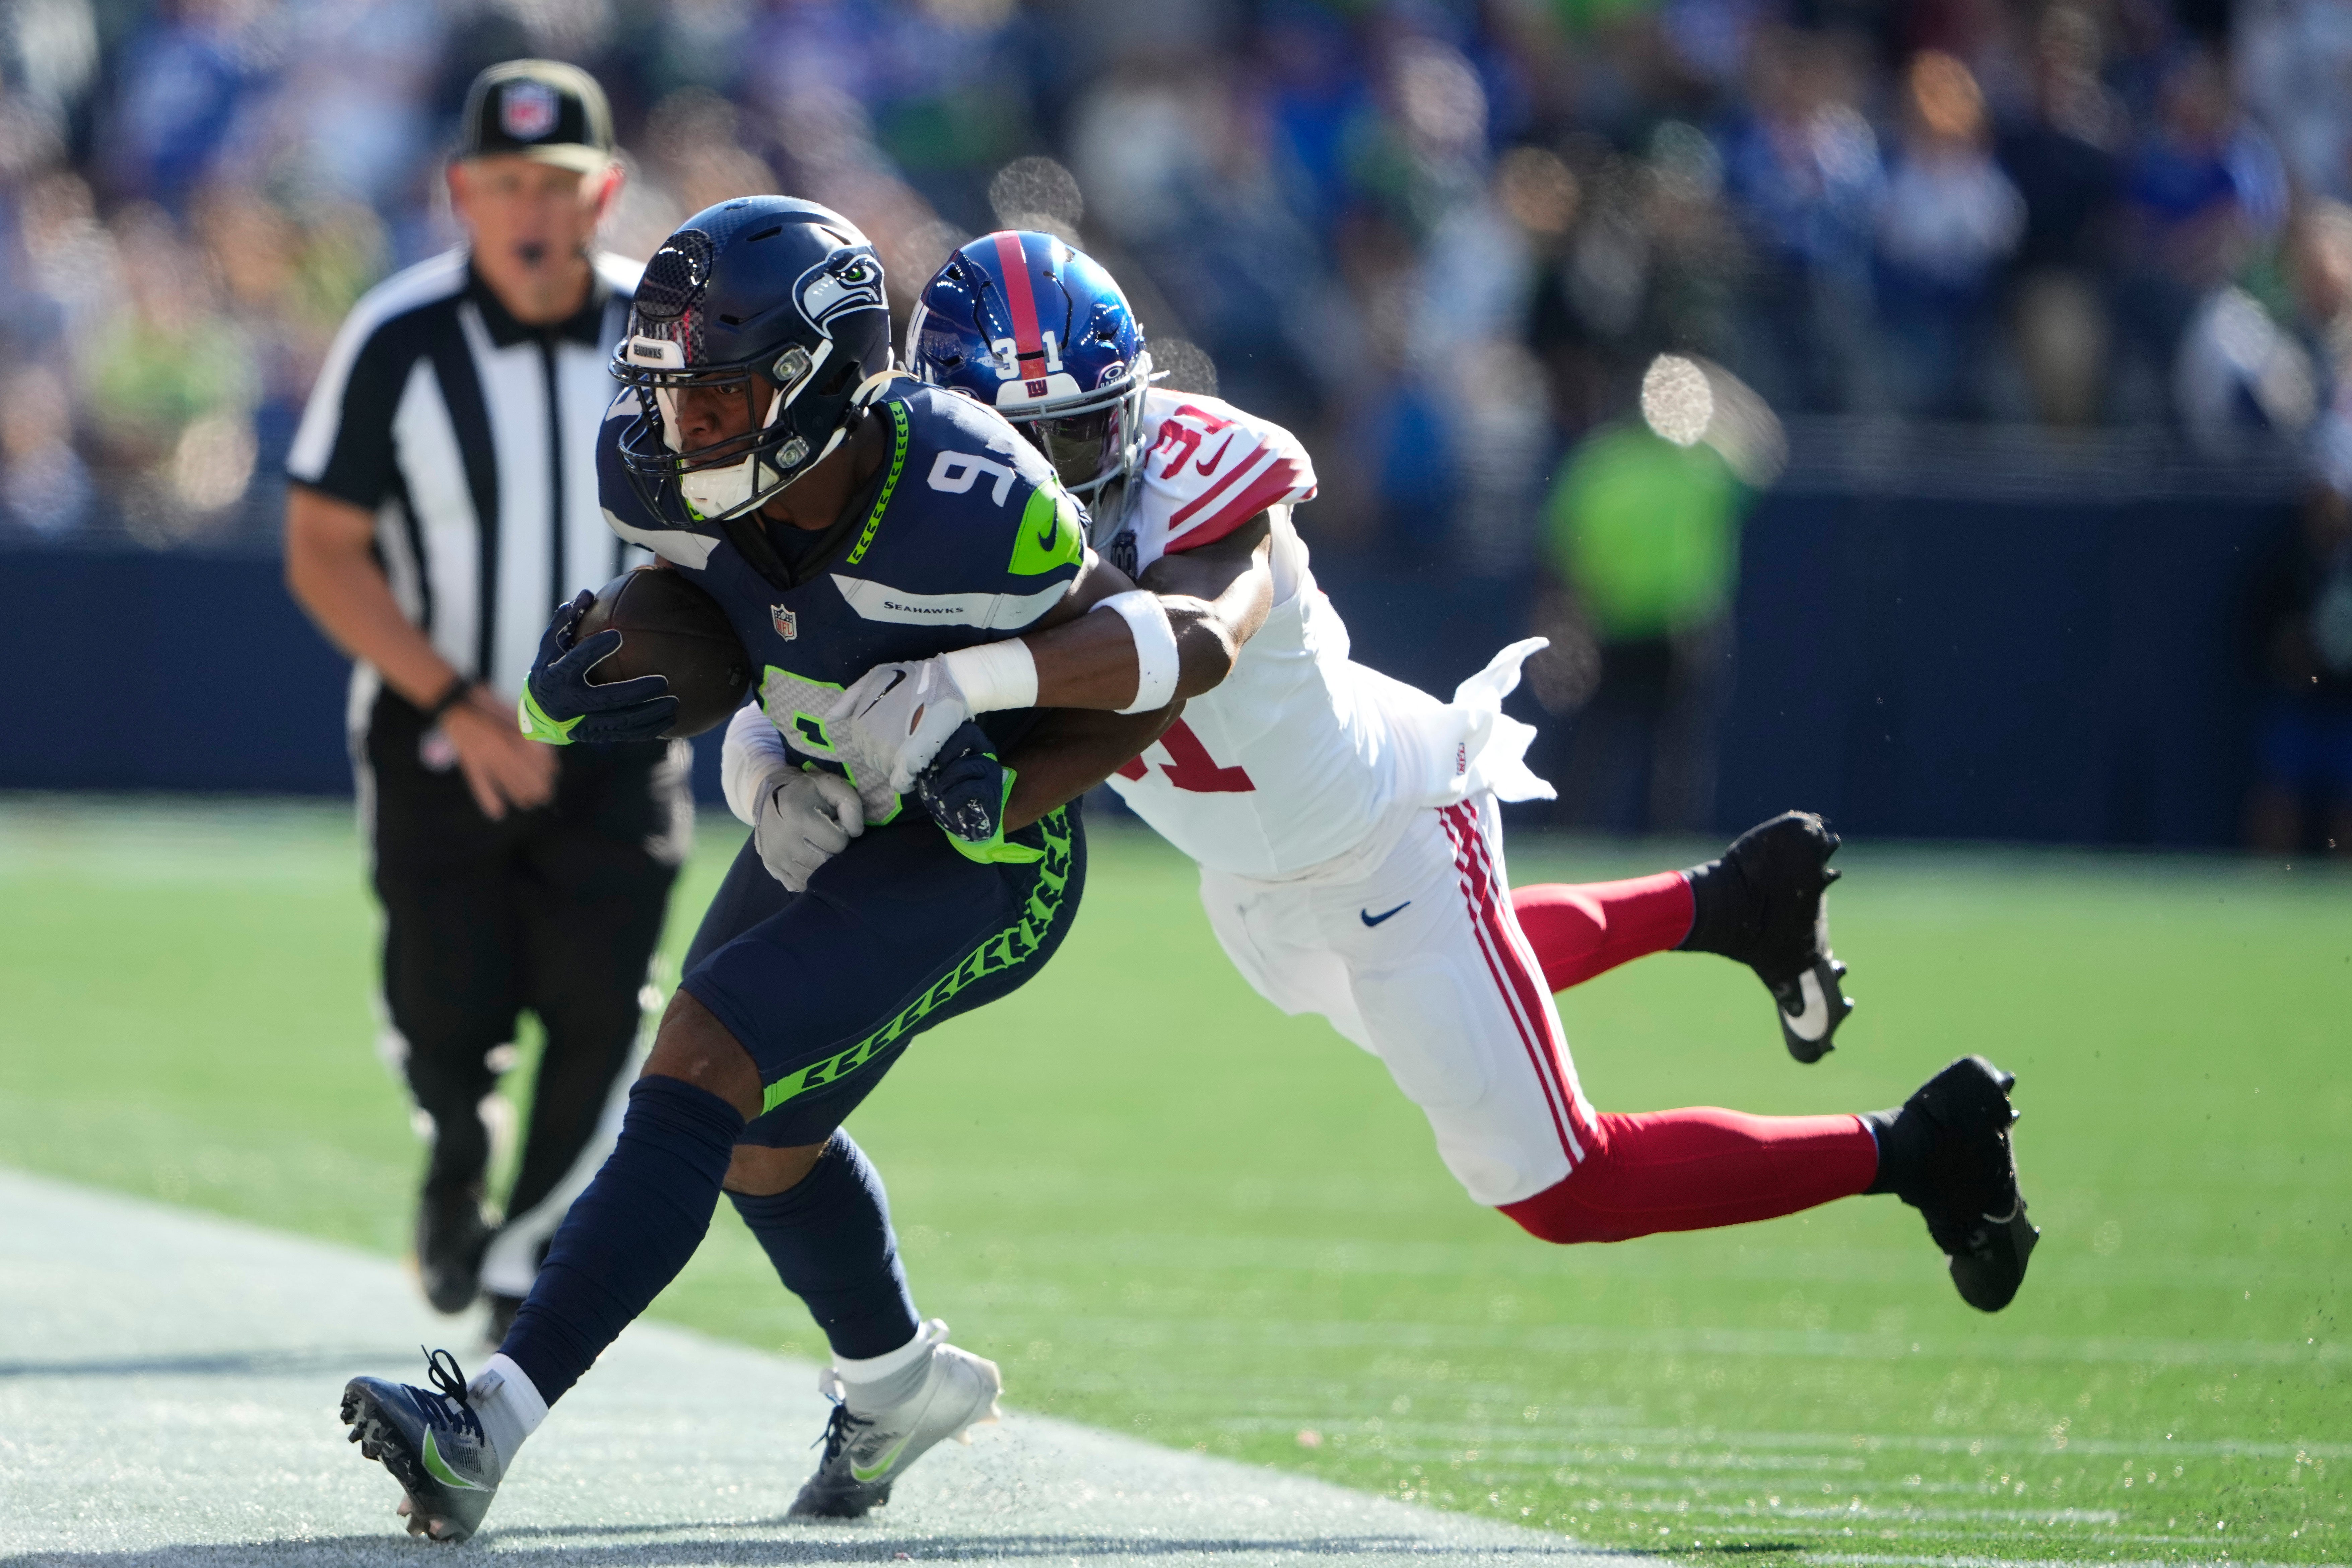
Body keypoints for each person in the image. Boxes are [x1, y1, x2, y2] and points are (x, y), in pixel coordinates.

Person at [816, 229, 2035, 1311]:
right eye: (1032, 441)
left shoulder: (1204, 478)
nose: (1069, 469)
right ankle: (1728, 903)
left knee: (1559, 1181)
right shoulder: (946, 519)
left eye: (1089, 428)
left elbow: (1163, 650)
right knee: (1413, 1002)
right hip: (1259, 874)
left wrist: (966, 689)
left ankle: (1918, 1148)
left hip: (1388, 832)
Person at [335, 198, 1169, 1542]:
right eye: (671, 397)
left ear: (816, 382)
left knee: (704, 1062)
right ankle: (901, 1384)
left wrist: (987, 726)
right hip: (834, 801)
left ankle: (484, 1423)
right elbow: (733, 622)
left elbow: (1147, 670)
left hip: (984, 849)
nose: (683, 429)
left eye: (717, 403)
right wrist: (737, 743)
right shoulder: (665, 471)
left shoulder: (968, 490)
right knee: (760, 1146)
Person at [284, 61, 687, 1341]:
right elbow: (322, 546)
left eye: (558, 184)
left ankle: (523, 1259)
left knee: (601, 1004)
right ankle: (457, 1151)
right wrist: (458, 702)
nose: (531, 208)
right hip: (432, 734)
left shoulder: (671, 343)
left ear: (606, 193)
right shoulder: (399, 336)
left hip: (618, 740)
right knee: (443, 1004)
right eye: (506, 182)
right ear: (461, 191)